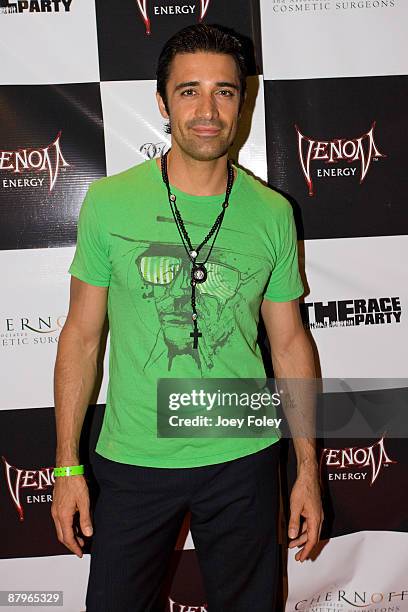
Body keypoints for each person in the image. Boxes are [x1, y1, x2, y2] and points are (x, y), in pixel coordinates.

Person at [51, 24, 323, 612]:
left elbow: (290, 341)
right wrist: (67, 464)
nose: (207, 110)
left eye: (224, 92)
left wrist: (306, 469)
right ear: (161, 101)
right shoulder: (108, 202)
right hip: (134, 462)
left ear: (242, 102)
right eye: (189, 91)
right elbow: (80, 335)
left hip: (243, 459)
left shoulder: (274, 213)